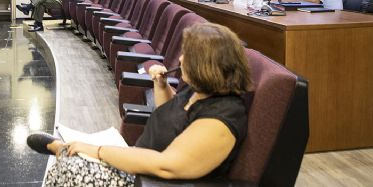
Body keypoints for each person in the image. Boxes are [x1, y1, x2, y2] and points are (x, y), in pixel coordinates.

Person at [26, 23, 251, 185]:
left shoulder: (222, 118)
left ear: (207, 66)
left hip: (153, 180)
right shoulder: (200, 90)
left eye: (188, 55)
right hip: (145, 161)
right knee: (74, 162)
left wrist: (98, 150)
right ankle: (67, 149)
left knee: (71, 169)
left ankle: (65, 150)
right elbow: (172, 116)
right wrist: (162, 86)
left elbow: (167, 166)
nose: (180, 59)